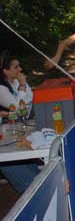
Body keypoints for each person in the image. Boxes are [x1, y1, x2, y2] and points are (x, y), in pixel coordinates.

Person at [0, 57, 40, 193]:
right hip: (8, 128)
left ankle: (35, 178)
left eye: (19, 66)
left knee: (28, 143)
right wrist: (22, 85)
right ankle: (31, 187)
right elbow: (18, 107)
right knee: (14, 149)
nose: (20, 70)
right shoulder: (1, 88)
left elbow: (30, 98)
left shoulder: (17, 81)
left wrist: (22, 85)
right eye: (16, 67)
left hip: (21, 123)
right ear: (5, 71)